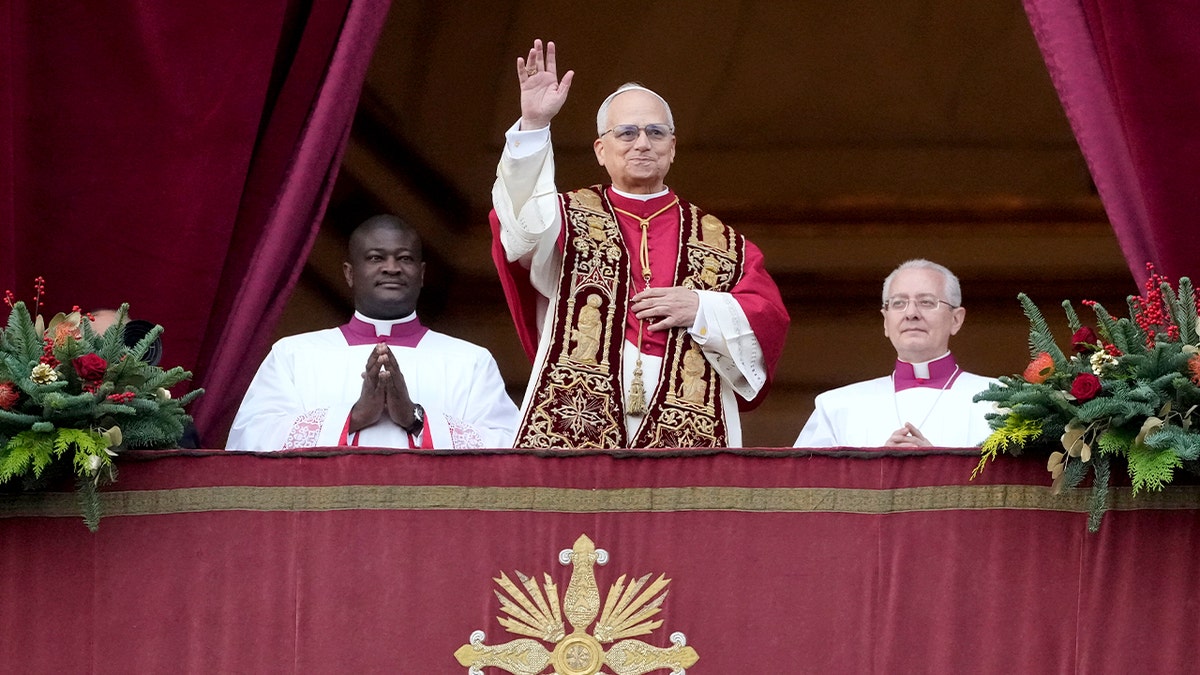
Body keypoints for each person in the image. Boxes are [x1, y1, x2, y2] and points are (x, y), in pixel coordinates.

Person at [491, 39, 790, 449]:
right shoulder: (563, 215)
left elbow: (769, 317)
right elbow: (518, 223)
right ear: (601, 149)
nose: (642, 143)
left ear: (672, 148)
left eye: (656, 132)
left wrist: (702, 308)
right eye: (626, 132)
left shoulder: (723, 241)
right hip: (576, 401)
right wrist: (534, 125)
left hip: (688, 407)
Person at [226, 215, 521, 451]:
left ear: (421, 274)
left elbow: (510, 448)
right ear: (349, 273)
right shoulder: (293, 355)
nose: (391, 268)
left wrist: (415, 418)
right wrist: (353, 417)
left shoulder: (470, 361)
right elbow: (250, 440)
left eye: (404, 258)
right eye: (376, 258)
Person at [794, 259, 997, 448]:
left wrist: (940, 467)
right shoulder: (835, 408)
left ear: (956, 320)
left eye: (926, 302)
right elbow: (804, 482)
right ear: (885, 322)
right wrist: (878, 469)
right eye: (899, 303)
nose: (911, 314)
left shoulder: (1002, 402)